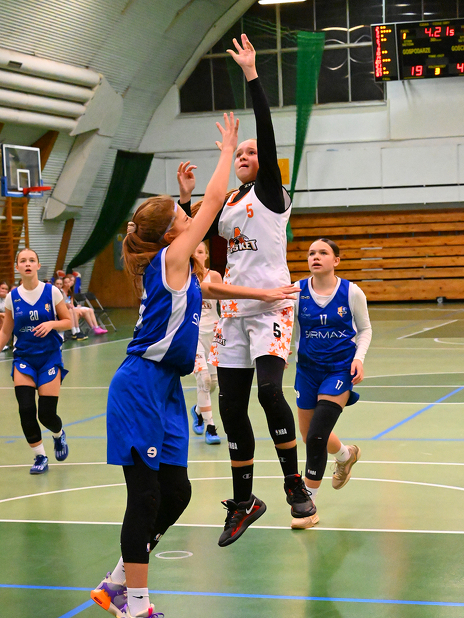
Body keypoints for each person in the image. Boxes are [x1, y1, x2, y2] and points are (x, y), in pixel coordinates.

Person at [89, 112, 298, 618]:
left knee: (177, 492)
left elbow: (213, 289)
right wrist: (227, 152)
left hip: (164, 391)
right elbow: (211, 205)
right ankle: (137, 613)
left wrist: (266, 295)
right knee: (144, 497)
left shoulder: (177, 266)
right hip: (139, 385)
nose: (193, 216)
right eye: (184, 216)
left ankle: (117, 581)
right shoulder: (171, 256)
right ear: (173, 233)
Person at [178, 34, 313, 547]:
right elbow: (194, 237)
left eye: (252, 151)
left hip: (272, 306)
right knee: (232, 406)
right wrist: (187, 200)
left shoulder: (271, 194)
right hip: (233, 309)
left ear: (264, 161)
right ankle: (244, 501)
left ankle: (294, 485)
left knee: (270, 391)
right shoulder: (229, 202)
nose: (245, 154)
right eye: (239, 152)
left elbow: (267, 134)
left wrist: (253, 75)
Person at [291, 238, 372, 529]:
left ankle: (307, 506)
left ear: (336, 260)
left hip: (339, 370)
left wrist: (359, 358)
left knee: (316, 436)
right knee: (308, 434)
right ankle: (346, 455)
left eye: (323, 253)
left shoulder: (351, 292)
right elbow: (288, 327)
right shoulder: (297, 291)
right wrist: (281, 353)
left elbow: (365, 329)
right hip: (307, 370)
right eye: (311, 253)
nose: (315, 257)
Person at [0, 249, 72, 474]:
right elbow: (6, 331)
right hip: (24, 358)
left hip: (49, 357)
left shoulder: (52, 292)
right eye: (23, 261)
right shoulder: (12, 297)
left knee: (46, 414)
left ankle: (58, 435)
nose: (28, 263)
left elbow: (68, 321)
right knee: (26, 409)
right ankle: (40, 456)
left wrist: (52, 324)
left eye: (32, 260)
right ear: (17, 267)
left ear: (38, 266)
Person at [190, 241, 222, 445]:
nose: (197, 255)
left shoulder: (215, 276)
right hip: (193, 334)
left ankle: (197, 410)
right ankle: (211, 426)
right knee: (204, 379)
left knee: (213, 383)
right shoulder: (184, 277)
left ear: (206, 255)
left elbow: (225, 303)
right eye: (193, 251)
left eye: (201, 251)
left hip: (214, 333)